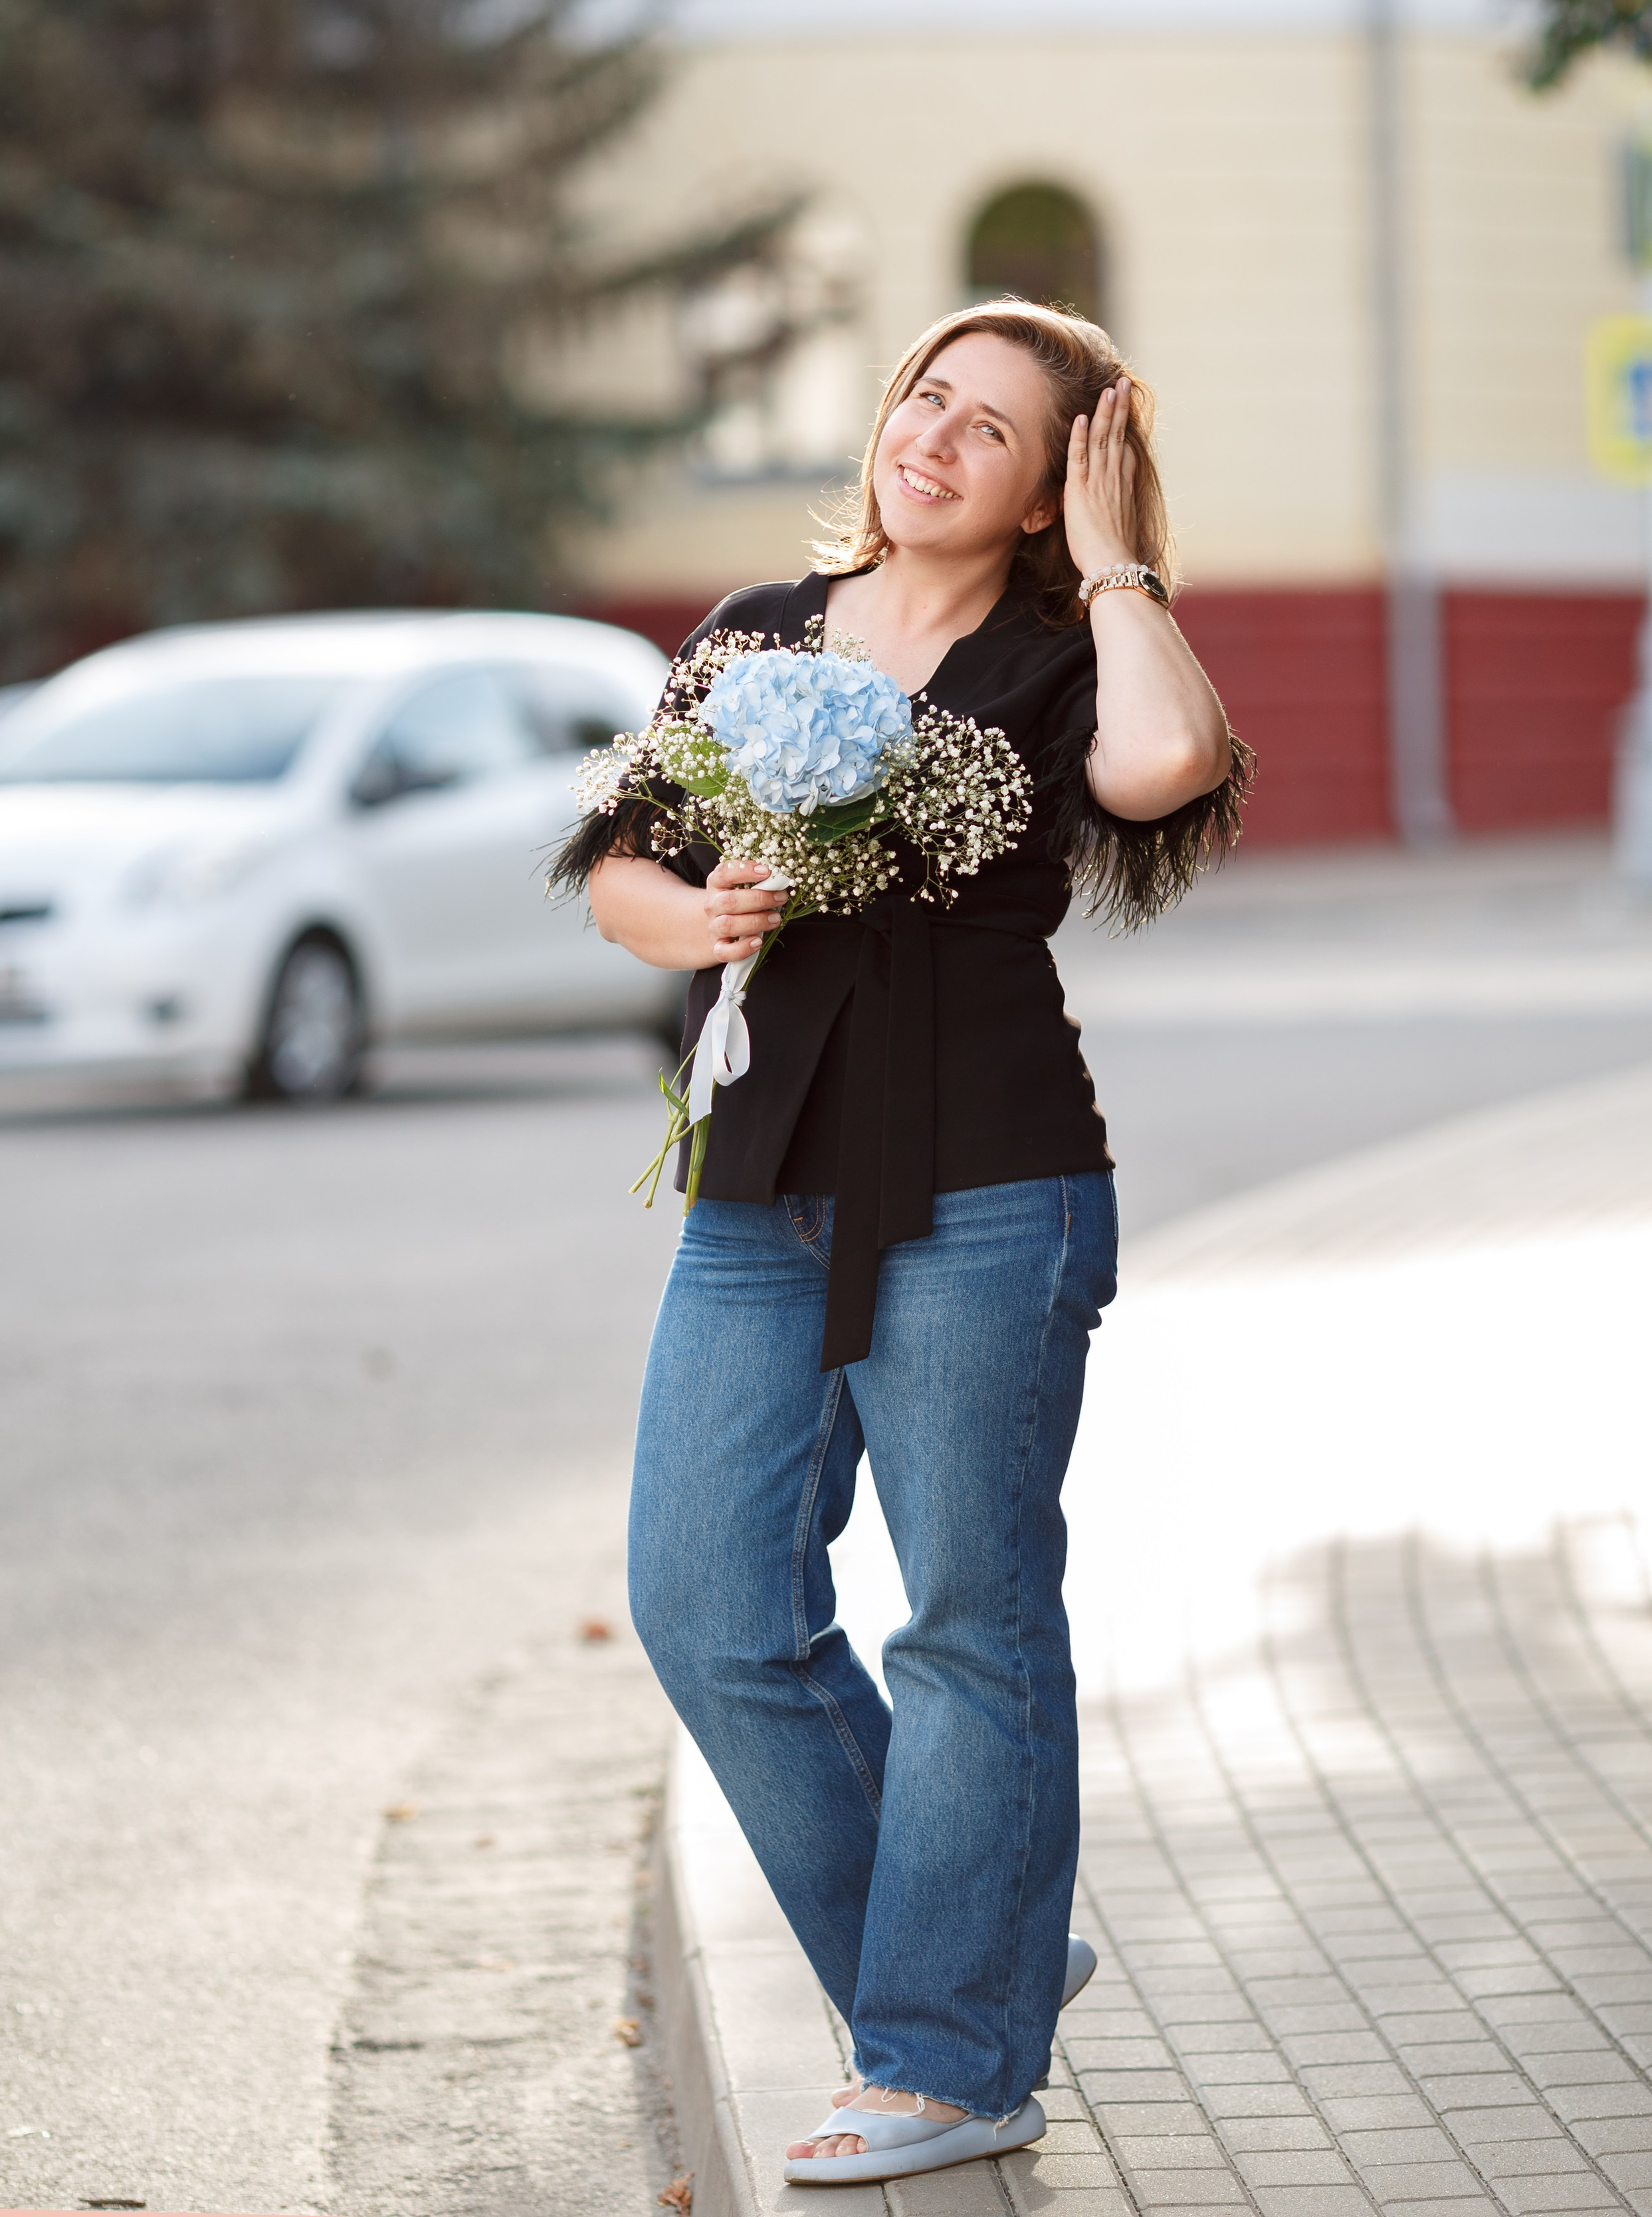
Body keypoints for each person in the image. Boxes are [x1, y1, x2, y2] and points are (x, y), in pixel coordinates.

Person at [556, 300, 1249, 2188]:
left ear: (1047, 494)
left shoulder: (1063, 651)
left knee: (969, 1615)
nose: (933, 441)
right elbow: (620, 861)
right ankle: (987, 1943)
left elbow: (1173, 764)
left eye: (994, 432)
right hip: (759, 1175)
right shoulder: (756, 635)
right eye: (923, 402)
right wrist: (699, 922)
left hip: (986, 1181)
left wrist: (1117, 569)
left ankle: (953, 2053)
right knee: (710, 1603)